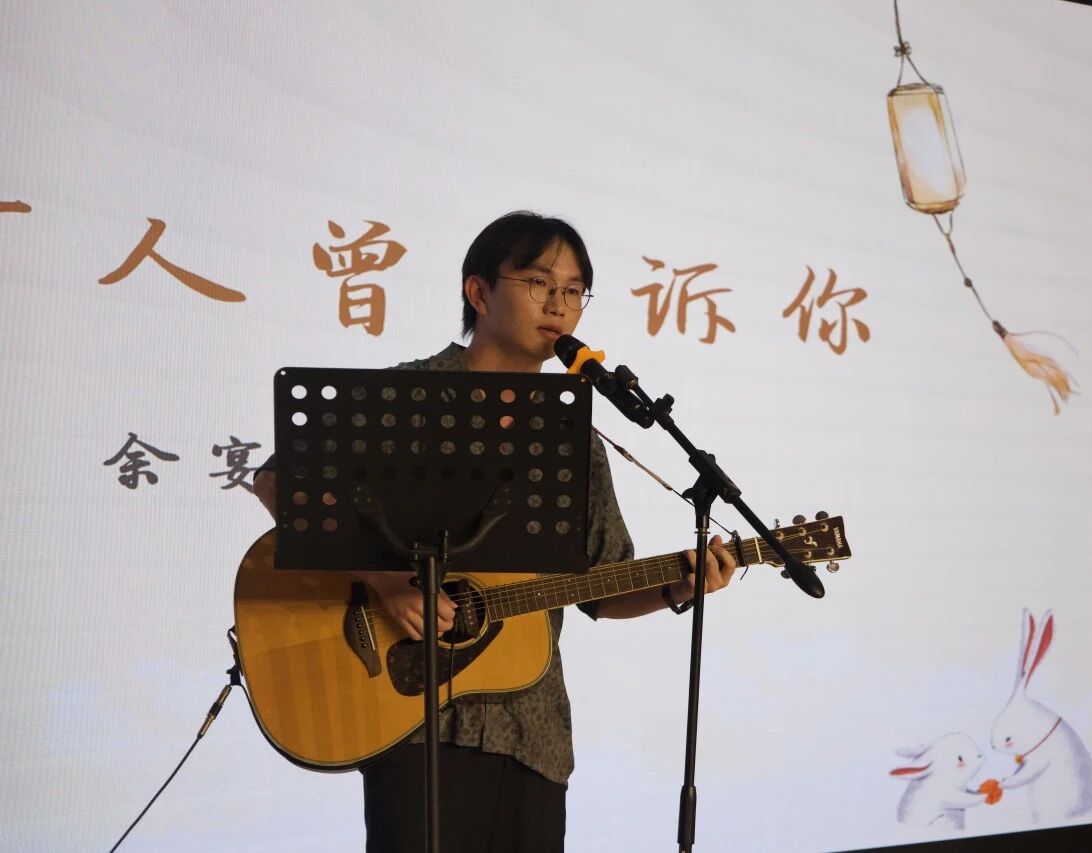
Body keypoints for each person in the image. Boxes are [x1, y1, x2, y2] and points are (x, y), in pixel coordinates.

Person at [252, 211, 736, 852]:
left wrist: (682, 585)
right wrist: (385, 579)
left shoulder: (572, 437)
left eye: (573, 290)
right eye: (539, 283)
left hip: (531, 732)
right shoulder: (408, 394)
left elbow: (599, 587)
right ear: (478, 292)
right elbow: (280, 482)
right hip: (411, 720)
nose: (558, 305)